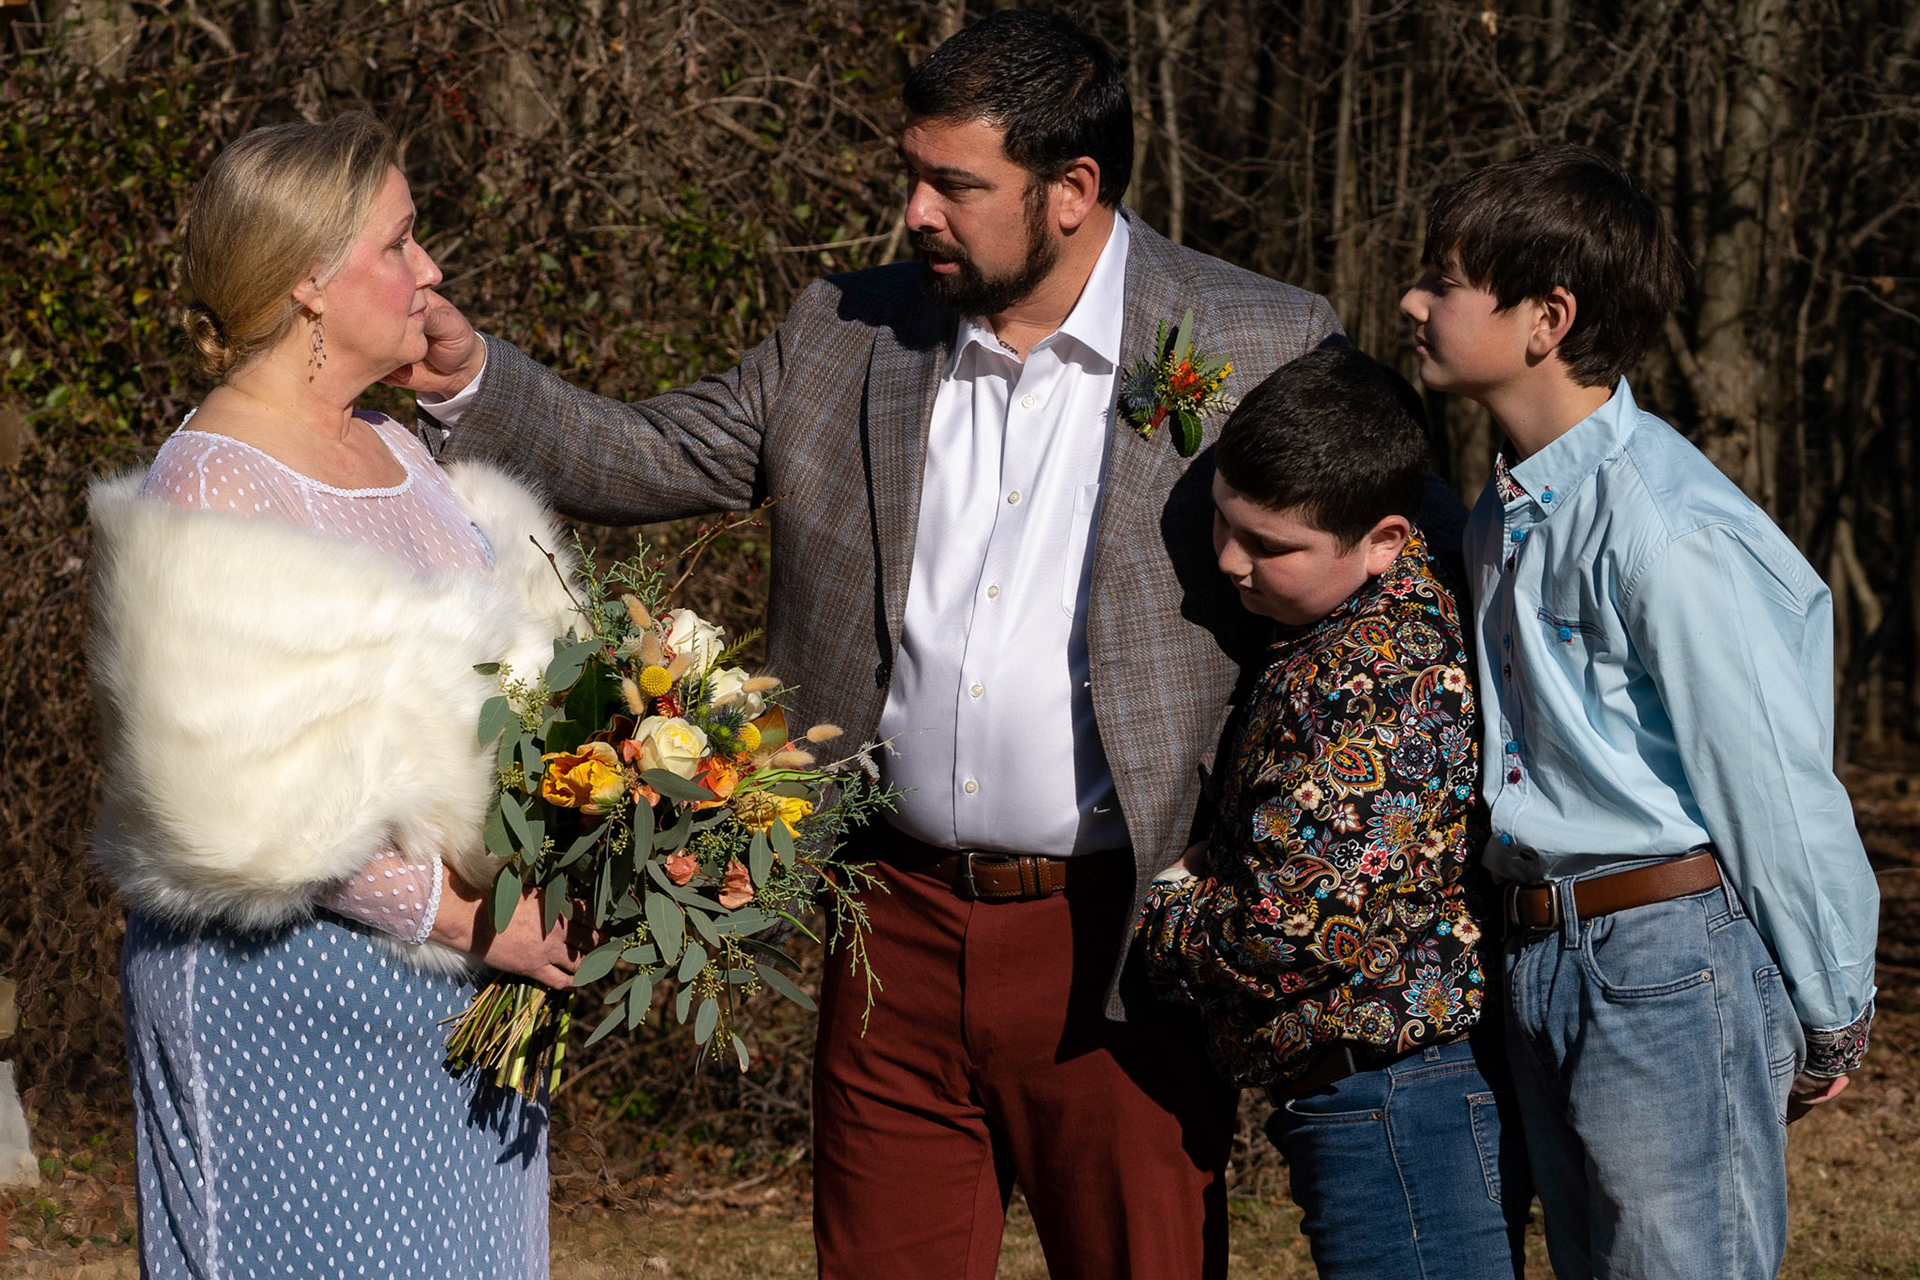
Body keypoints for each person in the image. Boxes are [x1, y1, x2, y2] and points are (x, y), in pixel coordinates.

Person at [390, 10, 1362, 1277]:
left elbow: (1385, 580)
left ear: (1073, 190)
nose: (915, 210)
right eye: (913, 174)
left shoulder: (1259, 342)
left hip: (1124, 947)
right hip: (882, 920)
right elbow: (659, 451)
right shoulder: (845, 331)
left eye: (956, 183)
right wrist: (474, 383)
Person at [89, 114, 594, 1279]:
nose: (429, 270)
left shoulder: (401, 450)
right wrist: (471, 920)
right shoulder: (213, 478)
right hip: (287, 1010)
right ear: (312, 280)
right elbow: (236, 802)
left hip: (452, 1025)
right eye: (400, 244)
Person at [1399, 145, 1881, 1280]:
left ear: (1545, 318)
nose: (1412, 300)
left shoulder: (1664, 523)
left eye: (1446, 279)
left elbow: (1770, 774)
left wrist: (1832, 1004)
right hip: (1540, 955)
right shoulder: (1501, 511)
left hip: (1662, 960)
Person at [1136, 345, 1530, 1280]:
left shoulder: (1385, 673)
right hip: (1375, 1088)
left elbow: (1299, 924)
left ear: (1386, 539)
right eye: (1223, 521)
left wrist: (1166, 910)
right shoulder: (1338, 625)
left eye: (1271, 547)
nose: (1229, 561)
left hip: (1399, 1097)